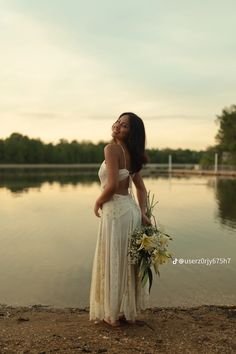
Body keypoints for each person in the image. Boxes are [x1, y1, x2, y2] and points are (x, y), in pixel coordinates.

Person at [89, 112, 151, 327]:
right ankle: (124, 311)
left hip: (115, 210)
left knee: (113, 259)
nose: (117, 126)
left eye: (124, 126)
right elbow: (140, 189)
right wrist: (142, 212)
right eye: (118, 121)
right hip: (131, 211)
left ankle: (112, 314)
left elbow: (112, 185)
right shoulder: (131, 153)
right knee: (126, 262)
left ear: (131, 133)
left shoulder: (111, 149)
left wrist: (98, 201)